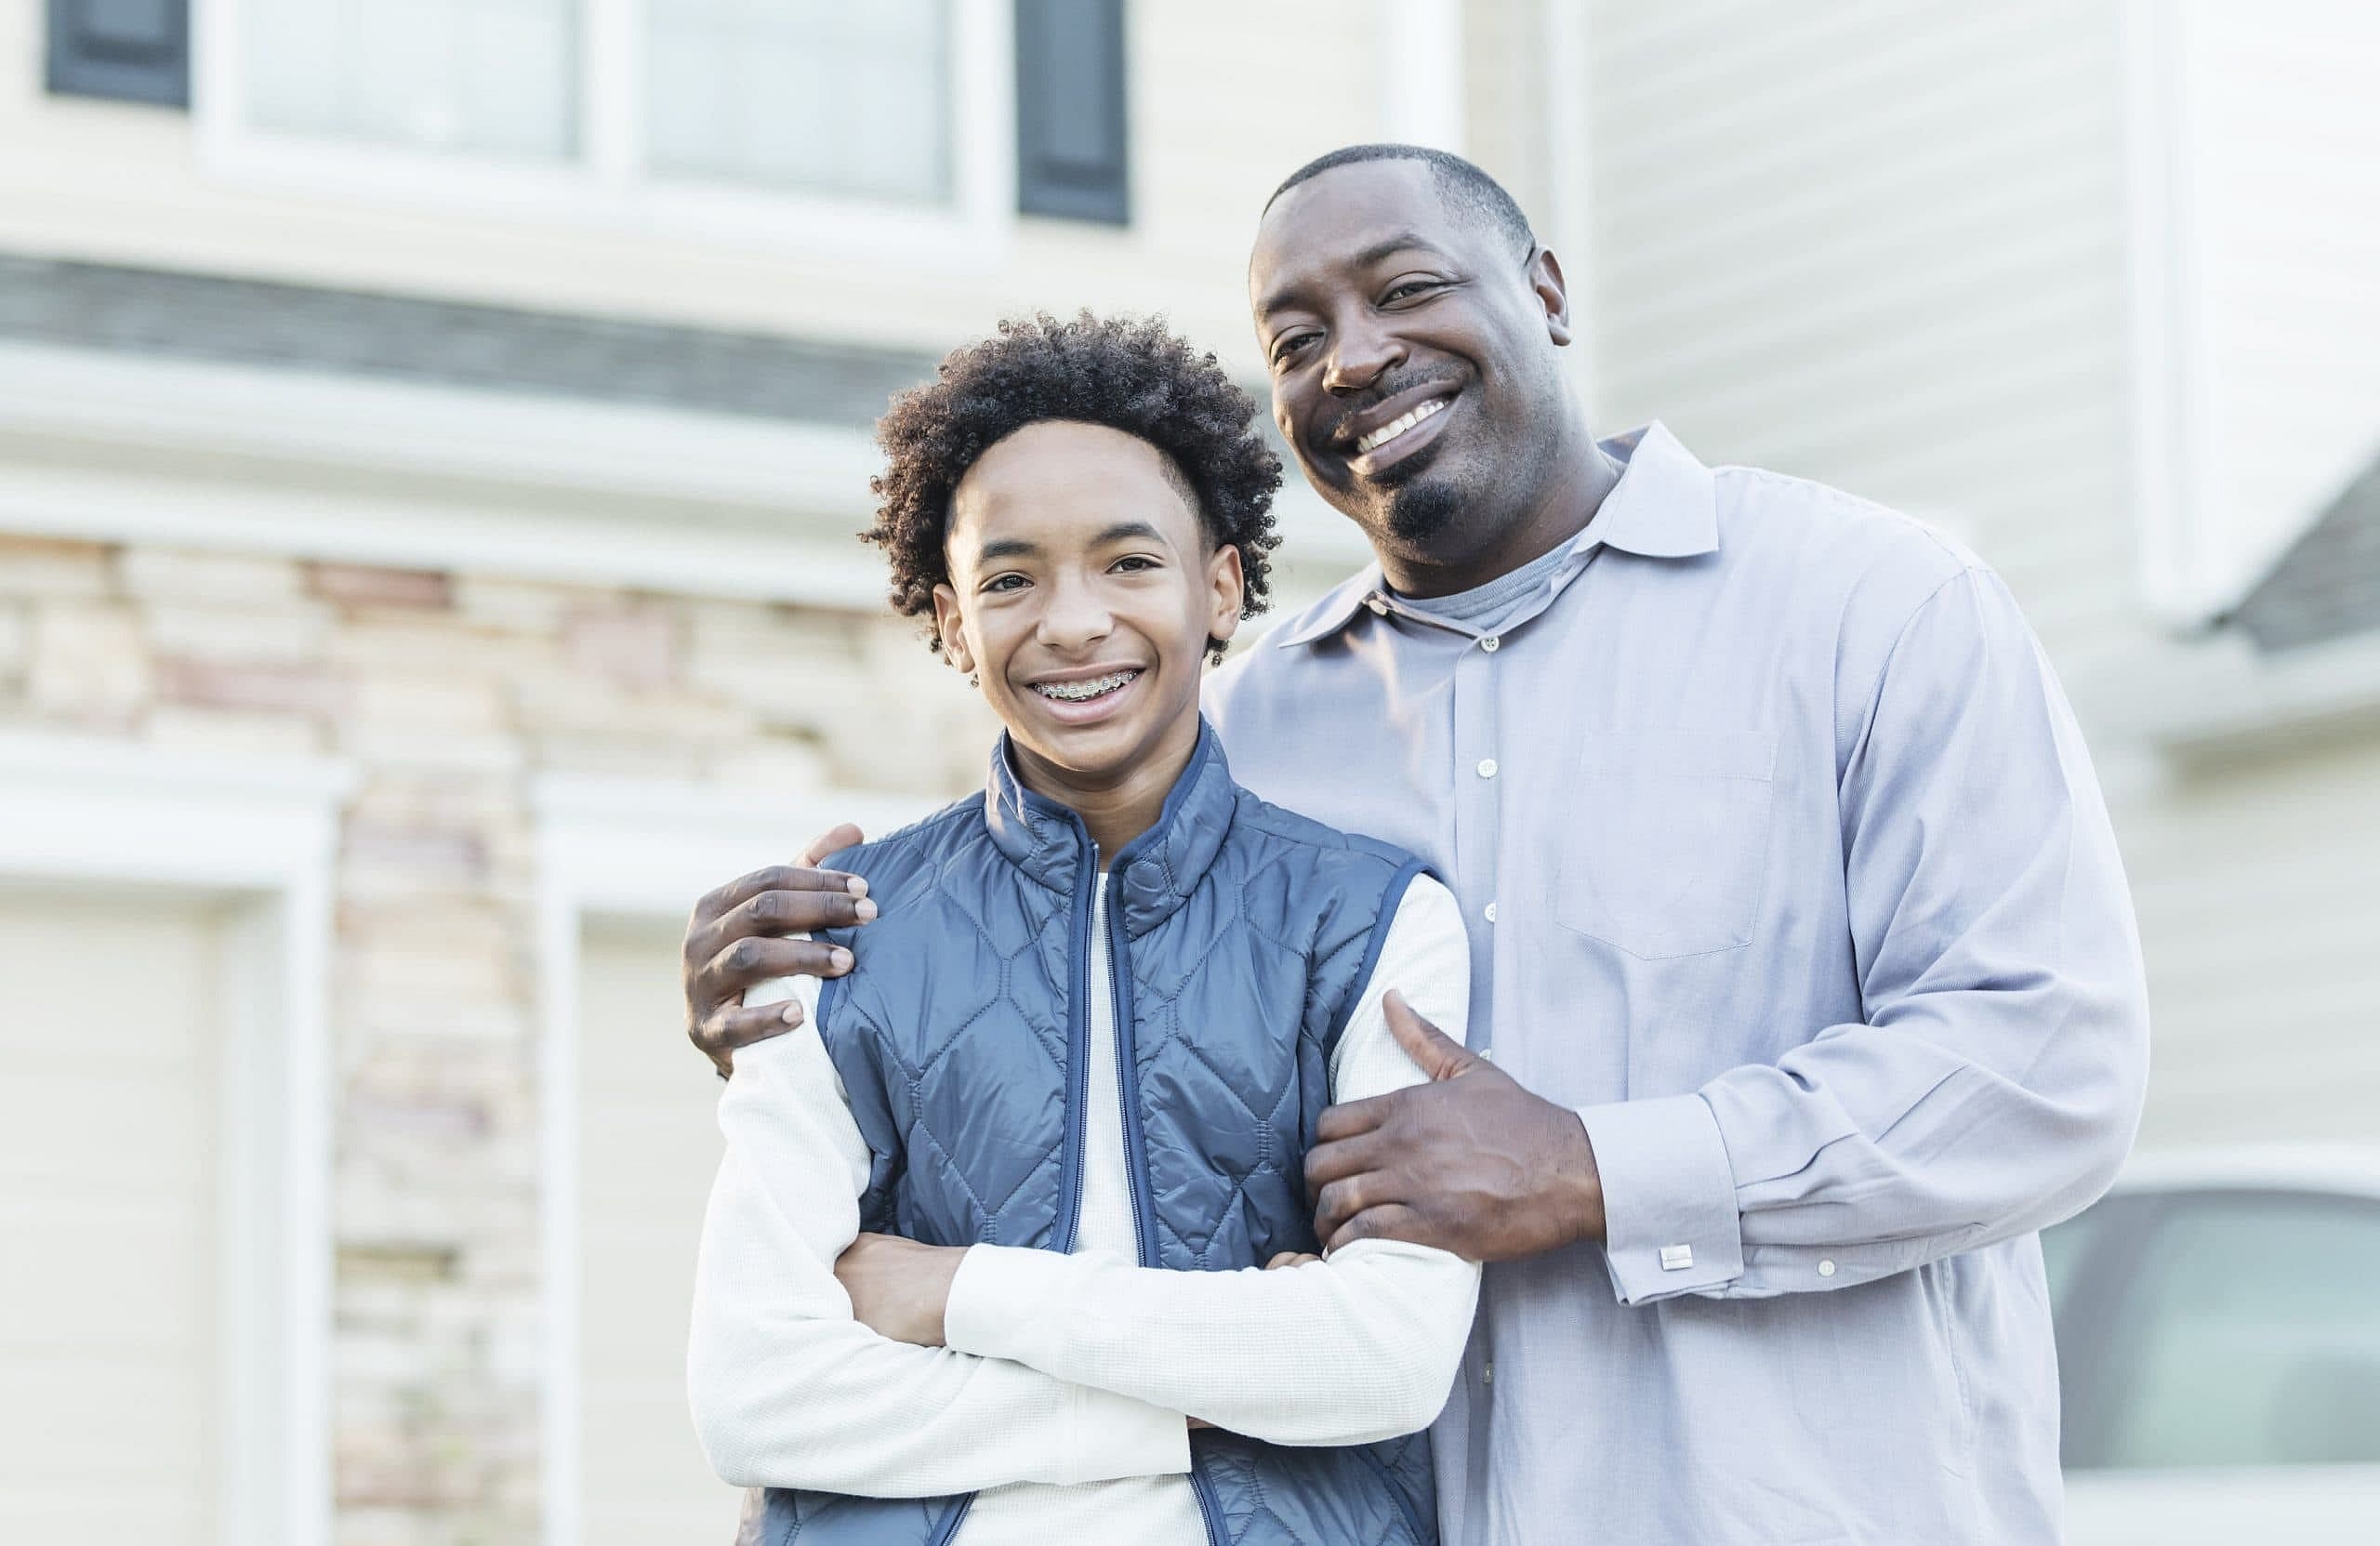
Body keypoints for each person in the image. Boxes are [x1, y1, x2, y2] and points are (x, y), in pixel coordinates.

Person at [683, 147, 2151, 1545]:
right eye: (1296, 335)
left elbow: (2045, 1066)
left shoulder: (1869, 613)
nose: (1356, 357)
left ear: (1551, 291)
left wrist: (1595, 1170)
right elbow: (1028, 1026)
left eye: (1406, 288)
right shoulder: (1245, 728)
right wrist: (780, 1009)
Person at [685, 312, 1479, 1546]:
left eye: (1127, 563)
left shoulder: (1368, 927)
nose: (1070, 622)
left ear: (1219, 589)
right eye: (1010, 579)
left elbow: (1385, 1364)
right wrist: (1209, 1399)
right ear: (952, 623)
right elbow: (753, 1394)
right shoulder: (842, 943)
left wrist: (958, 1293)